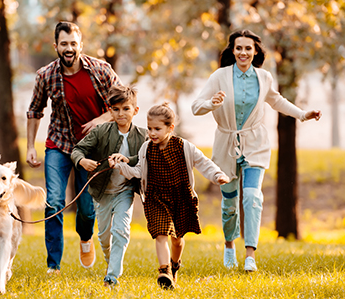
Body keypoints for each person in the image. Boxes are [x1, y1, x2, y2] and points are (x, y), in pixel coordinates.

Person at [192, 29, 322, 272]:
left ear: (255, 52)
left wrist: (303, 114)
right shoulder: (219, 76)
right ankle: (229, 245)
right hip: (226, 144)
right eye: (238, 48)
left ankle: (250, 254)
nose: (243, 52)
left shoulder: (264, 78)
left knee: (252, 197)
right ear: (232, 51)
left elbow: (277, 101)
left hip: (255, 144)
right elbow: (195, 107)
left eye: (248, 48)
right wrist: (212, 103)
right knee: (230, 203)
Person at [26, 21, 122, 275]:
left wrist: (100, 120)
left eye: (73, 44)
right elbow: (35, 111)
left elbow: (124, 103)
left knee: (87, 209)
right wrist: (30, 147)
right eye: (64, 44)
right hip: (59, 145)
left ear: (81, 45)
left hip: (92, 150)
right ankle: (53, 265)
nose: (69, 49)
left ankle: (85, 238)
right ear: (56, 45)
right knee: (54, 202)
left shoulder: (102, 70)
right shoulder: (45, 75)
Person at [110, 102, 230, 289]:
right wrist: (120, 166)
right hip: (156, 198)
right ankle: (164, 271)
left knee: (177, 240)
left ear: (170, 128)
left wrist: (217, 175)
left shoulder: (184, 146)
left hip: (180, 197)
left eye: (157, 129)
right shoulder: (146, 148)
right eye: (149, 128)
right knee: (161, 233)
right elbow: (138, 171)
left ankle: (174, 266)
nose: (152, 133)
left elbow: (203, 162)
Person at [71, 85, 147, 287]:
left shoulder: (143, 136)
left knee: (121, 231)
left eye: (126, 108)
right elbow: (77, 149)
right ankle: (110, 261)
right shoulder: (101, 131)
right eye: (116, 109)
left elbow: (145, 158)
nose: (121, 113)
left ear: (135, 111)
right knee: (104, 237)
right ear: (110, 110)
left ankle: (112, 276)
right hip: (102, 192)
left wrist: (127, 160)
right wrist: (82, 161)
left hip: (125, 191)